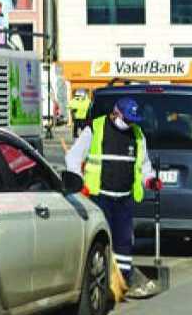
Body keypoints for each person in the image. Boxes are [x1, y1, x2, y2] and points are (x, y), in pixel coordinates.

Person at [65, 97, 161, 298]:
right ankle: (102, 283)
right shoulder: (95, 129)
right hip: (100, 198)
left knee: (124, 243)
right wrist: (79, 183)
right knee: (101, 243)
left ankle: (122, 282)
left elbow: (144, 166)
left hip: (124, 199)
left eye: (133, 120)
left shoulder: (137, 134)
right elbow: (73, 157)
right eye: (127, 120)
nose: (130, 124)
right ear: (116, 113)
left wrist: (150, 180)